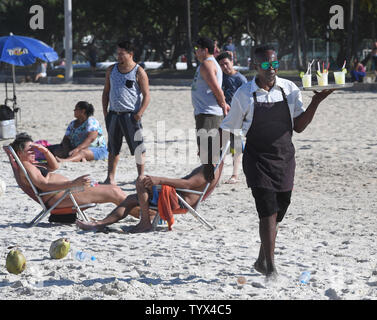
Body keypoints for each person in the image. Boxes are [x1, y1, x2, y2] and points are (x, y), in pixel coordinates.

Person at [220, 45, 334, 279]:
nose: (271, 69)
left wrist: (316, 101)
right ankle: (271, 267)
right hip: (257, 160)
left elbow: (299, 126)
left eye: (274, 64)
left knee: (278, 211)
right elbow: (228, 129)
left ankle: (262, 259)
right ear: (255, 66)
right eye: (265, 65)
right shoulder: (244, 93)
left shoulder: (289, 89)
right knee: (267, 211)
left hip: (284, 159)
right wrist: (212, 162)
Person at [76, 149, 222, 233]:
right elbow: (188, 183)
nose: (197, 152)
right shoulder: (210, 166)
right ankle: (100, 223)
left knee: (142, 181)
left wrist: (159, 180)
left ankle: (145, 222)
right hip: (179, 196)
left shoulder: (208, 169)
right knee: (131, 199)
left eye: (200, 148)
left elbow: (188, 184)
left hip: (181, 201)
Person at [10, 133, 126, 210]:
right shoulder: (26, 165)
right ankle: (142, 215)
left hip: (63, 193)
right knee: (114, 192)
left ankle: (141, 213)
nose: (34, 152)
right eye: (30, 150)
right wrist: (73, 183)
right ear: (19, 153)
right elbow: (43, 185)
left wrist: (45, 151)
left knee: (115, 190)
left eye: (35, 149)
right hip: (60, 197)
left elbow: (54, 166)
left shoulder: (31, 164)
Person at [102, 40, 150, 185]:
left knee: (138, 147)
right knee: (113, 147)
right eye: (118, 54)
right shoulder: (111, 69)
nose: (119, 57)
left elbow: (146, 95)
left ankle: (140, 176)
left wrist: (139, 114)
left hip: (131, 115)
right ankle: (110, 177)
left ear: (130, 54)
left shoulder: (139, 71)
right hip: (113, 114)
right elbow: (106, 91)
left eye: (122, 54)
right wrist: (105, 112)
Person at [191, 37, 230, 154]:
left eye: (197, 48)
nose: (195, 51)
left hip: (208, 115)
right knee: (207, 154)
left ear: (205, 50)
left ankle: (211, 173)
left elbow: (216, 89)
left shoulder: (207, 65)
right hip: (205, 113)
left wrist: (223, 105)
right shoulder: (207, 64)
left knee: (208, 154)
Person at [216, 51, 247, 184]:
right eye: (221, 65)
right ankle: (217, 174)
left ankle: (235, 175)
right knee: (219, 146)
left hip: (236, 117)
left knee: (236, 147)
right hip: (221, 116)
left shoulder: (240, 79)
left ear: (232, 62)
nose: (225, 67)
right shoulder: (220, 77)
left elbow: (247, 99)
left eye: (226, 63)